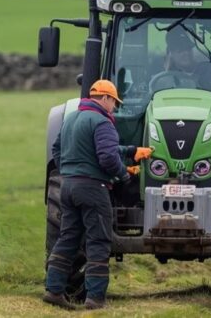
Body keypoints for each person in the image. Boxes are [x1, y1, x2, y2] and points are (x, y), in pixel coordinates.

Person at [43, 79, 152, 310]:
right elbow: (108, 158)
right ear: (105, 98)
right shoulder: (103, 122)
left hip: (68, 187)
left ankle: (53, 291)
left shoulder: (72, 119)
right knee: (98, 241)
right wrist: (124, 176)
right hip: (94, 190)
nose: (115, 106)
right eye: (114, 101)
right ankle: (95, 299)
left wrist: (131, 152)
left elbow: (58, 149)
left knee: (68, 238)